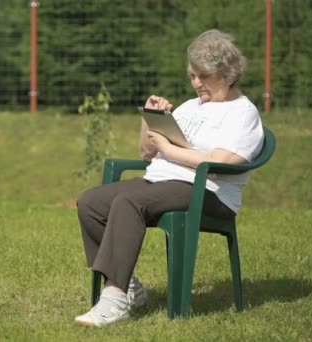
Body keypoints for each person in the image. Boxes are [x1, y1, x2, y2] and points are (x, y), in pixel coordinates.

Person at [74, 29, 264, 327]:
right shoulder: (190, 107)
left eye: (203, 76)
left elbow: (221, 162)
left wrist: (170, 151)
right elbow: (147, 152)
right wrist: (150, 119)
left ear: (227, 73)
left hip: (208, 192)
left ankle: (114, 300)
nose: (196, 83)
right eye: (192, 76)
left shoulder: (243, 113)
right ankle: (128, 283)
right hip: (161, 182)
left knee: (128, 201)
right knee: (90, 203)